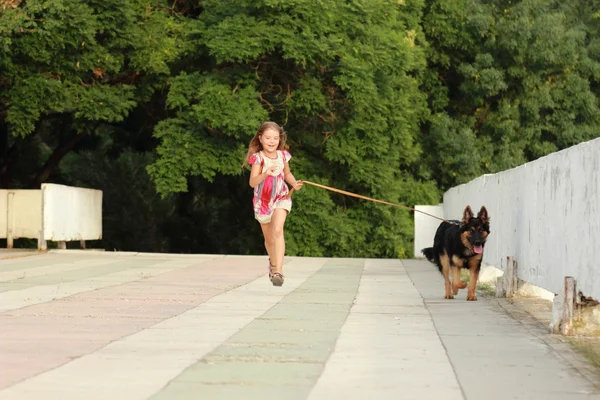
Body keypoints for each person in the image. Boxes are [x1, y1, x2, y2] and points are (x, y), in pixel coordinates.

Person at [243, 121, 303, 286]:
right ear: (260, 138)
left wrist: (294, 183)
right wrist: (265, 174)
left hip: (281, 197)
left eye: (275, 138)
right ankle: (273, 263)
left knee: (278, 230)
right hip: (263, 203)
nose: (272, 141)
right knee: (269, 240)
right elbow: (252, 182)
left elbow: (287, 173)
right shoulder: (258, 158)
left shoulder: (283, 155)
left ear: (279, 139)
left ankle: (279, 272)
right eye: (268, 137)